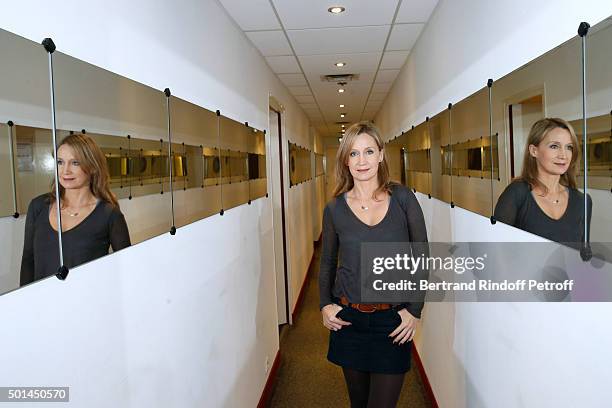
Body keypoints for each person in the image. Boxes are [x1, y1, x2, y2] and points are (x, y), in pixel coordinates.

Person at [319, 121, 428, 408]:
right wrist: (324, 304)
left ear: (381, 155)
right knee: (358, 403)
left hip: (392, 322)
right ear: (345, 160)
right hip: (349, 320)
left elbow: (421, 255)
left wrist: (414, 309)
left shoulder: (403, 199)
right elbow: (328, 261)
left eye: (369, 151)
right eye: (353, 154)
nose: (362, 161)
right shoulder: (334, 209)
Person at [20, 133, 131, 286]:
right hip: (43, 306)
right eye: (60, 162)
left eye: (75, 163)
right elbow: (28, 261)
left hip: (86, 305)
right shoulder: (38, 206)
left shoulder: (109, 215)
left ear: (92, 167)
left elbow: (125, 270)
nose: (65, 171)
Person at [494, 118, 592, 245]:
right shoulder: (517, 194)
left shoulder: (582, 201)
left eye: (569, 147)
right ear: (534, 151)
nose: (563, 155)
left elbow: (584, 253)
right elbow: (496, 249)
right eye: (554, 146)